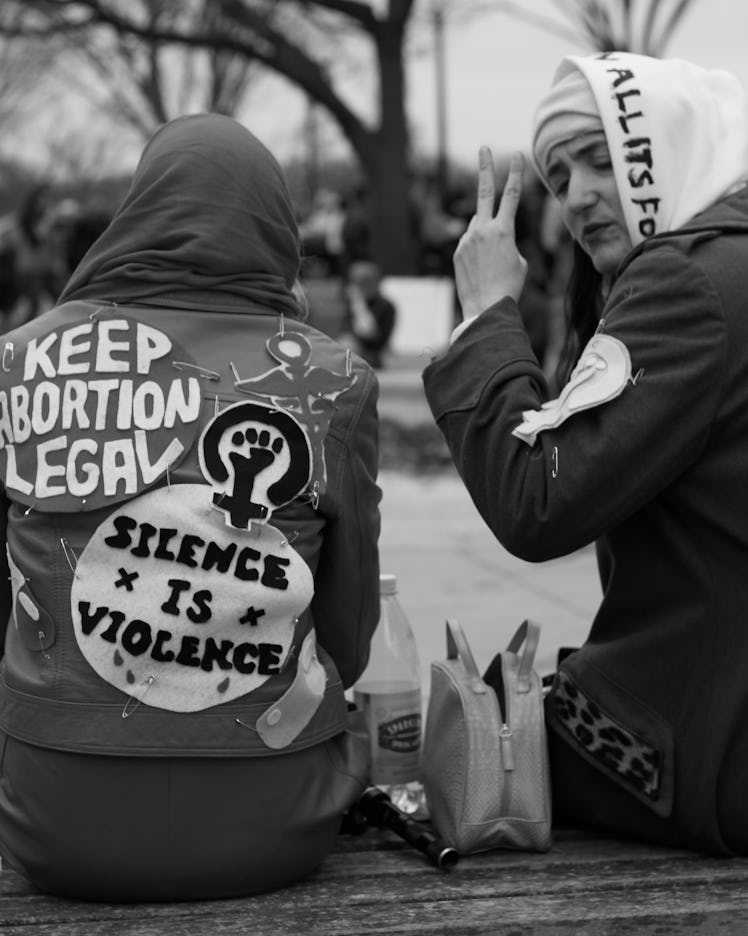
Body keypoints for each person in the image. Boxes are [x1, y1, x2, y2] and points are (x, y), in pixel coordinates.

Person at [0, 113, 382, 900]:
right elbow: (349, 631)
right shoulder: (333, 379)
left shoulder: (17, 362)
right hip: (279, 820)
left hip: (50, 822)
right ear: (278, 232)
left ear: (136, 211)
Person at [422, 50, 748, 857]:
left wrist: (486, 315)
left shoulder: (690, 283)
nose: (579, 199)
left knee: (458, 739)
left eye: (603, 158)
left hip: (710, 750)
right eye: (560, 178)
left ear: (669, 140)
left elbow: (537, 498)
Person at [340, 260, 397, 369]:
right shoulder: (349, 303)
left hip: (371, 355)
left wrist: (359, 304)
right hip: (350, 354)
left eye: (365, 283)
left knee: (347, 345)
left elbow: (370, 334)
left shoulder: (385, 306)